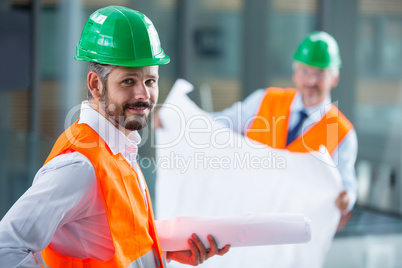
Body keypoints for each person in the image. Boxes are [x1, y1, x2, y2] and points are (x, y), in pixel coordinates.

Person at [0, 6, 229, 268]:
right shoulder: (79, 165)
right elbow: (5, 247)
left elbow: (114, 245)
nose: (143, 94)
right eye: (128, 81)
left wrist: (163, 252)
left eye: (150, 81)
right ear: (96, 85)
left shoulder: (121, 151)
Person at [215, 31, 357, 215]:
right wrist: (177, 119)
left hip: (296, 227)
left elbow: (347, 187)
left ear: (335, 78)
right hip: (245, 211)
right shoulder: (265, 99)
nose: (311, 81)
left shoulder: (342, 132)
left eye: (320, 73)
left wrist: (347, 198)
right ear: (295, 74)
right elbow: (220, 123)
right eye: (305, 71)